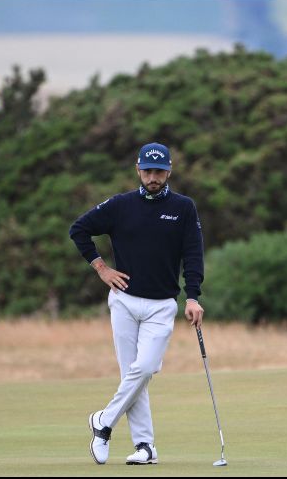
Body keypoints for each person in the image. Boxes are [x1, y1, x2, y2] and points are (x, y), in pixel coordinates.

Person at [69, 142, 205, 466]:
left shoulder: (183, 208)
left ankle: (103, 422)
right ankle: (145, 446)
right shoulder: (120, 205)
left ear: (169, 171)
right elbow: (79, 230)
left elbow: (193, 254)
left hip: (162, 305)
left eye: (159, 171)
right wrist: (101, 268)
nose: (153, 177)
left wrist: (193, 296)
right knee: (132, 375)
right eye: (147, 171)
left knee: (143, 369)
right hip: (124, 302)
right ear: (138, 170)